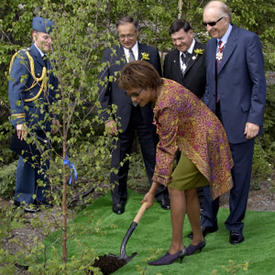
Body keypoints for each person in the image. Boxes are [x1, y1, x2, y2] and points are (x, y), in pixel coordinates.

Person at [118, 60, 233, 265]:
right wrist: (153, 189)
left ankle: (176, 247)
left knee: (175, 186)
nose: (135, 100)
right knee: (185, 187)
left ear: (147, 84)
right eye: (131, 96)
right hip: (197, 137)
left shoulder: (166, 104)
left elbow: (166, 150)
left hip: (205, 140)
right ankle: (197, 240)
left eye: (136, 93)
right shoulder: (161, 85)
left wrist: (152, 191)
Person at [198, 1, 266, 244]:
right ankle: (208, 221)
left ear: (225, 20)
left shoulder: (248, 40)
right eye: (205, 24)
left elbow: (259, 82)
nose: (208, 28)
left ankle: (235, 224)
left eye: (212, 23)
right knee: (210, 174)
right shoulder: (210, 44)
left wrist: (254, 119)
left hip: (241, 123)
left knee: (239, 177)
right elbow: (210, 85)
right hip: (213, 123)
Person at [98, 16, 170, 215]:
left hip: (148, 115)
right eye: (122, 36)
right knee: (119, 160)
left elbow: (159, 85)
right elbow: (102, 89)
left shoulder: (151, 52)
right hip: (120, 116)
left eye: (130, 35)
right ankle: (118, 199)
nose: (126, 39)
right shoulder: (109, 54)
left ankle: (162, 195)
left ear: (137, 33)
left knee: (153, 157)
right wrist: (107, 117)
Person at [8, 16, 58, 213]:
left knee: (43, 157)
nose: (49, 41)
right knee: (28, 158)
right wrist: (19, 120)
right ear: (34, 35)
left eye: (51, 38)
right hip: (29, 119)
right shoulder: (23, 58)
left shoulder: (48, 60)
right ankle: (24, 198)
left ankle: (41, 196)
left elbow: (52, 92)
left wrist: (54, 116)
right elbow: (15, 90)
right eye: (45, 37)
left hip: (44, 119)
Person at [163, 19, 206, 209]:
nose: (178, 43)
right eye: (174, 40)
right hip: (178, 122)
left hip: (201, 119)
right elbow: (168, 89)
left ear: (191, 33)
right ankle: (185, 199)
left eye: (180, 38)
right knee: (182, 161)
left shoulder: (206, 53)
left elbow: (212, 86)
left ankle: (205, 203)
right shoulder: (170, 57)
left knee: (201, 162)